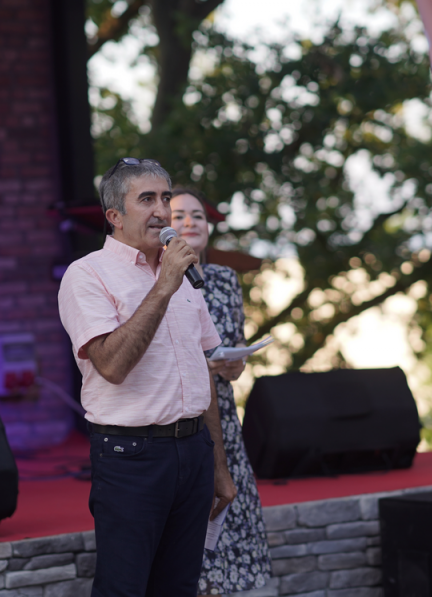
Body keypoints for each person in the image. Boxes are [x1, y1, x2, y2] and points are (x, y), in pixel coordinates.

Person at [57, 158, 236, 597]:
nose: (162, 210)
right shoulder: (87, 274)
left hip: (193, 450)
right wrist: (164, 285)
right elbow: (112, 366)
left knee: (179, 586)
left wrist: (217, 464)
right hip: (131, 457)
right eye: (147, 199)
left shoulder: (182, 273)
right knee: (125, 588)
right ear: (115, 216)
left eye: (165, 198)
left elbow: (202, 370)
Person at [171, 187, 273, 596]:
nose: (190, 222)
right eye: (179, 216)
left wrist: (236, 363)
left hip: (225, 417)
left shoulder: (225, 279)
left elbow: (234, 345)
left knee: (236, 509)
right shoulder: (157, 279)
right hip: (182, 414)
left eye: (198, 216)